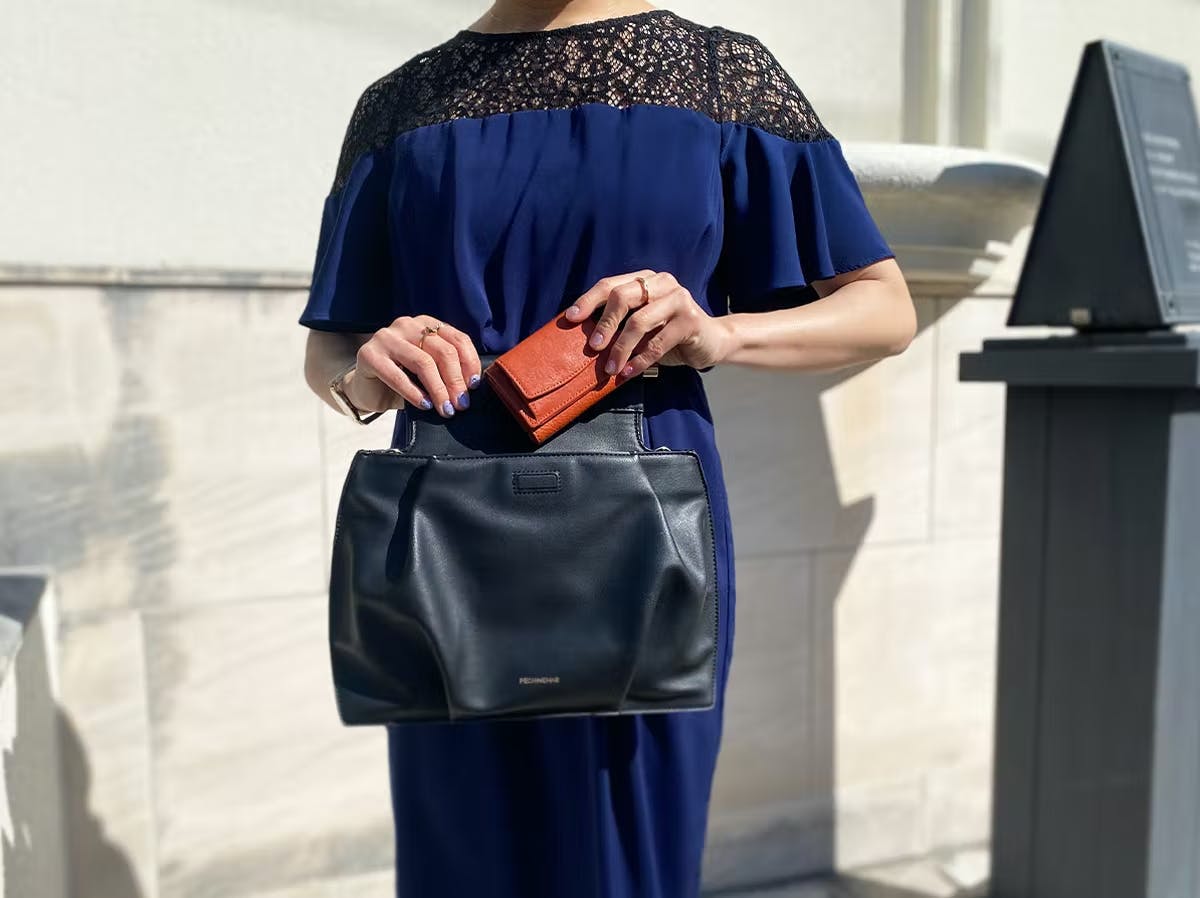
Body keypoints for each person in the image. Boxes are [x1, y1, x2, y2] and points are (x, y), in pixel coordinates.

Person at [299, 2, 916, 896]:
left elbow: (884, 307)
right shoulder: (400, 103)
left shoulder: (717, 76)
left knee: (628, 860)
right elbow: (329, 347)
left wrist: (721, 334)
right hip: (445, 541)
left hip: (640, 532)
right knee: (461, 859)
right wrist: (366, 371)